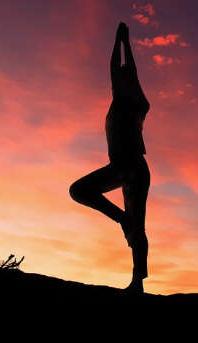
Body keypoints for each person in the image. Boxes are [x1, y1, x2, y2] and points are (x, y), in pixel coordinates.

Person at [69, 22, 151, 294]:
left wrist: (121, 44)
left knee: (82, 191)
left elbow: (122, 70)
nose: (119, 79)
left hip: (131, 166)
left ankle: (137, 279)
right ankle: (136, 278)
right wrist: (122, 44)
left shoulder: (130, 103)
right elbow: (122, 71)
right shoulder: (130, 102)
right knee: (82, 191)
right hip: (129, 167)